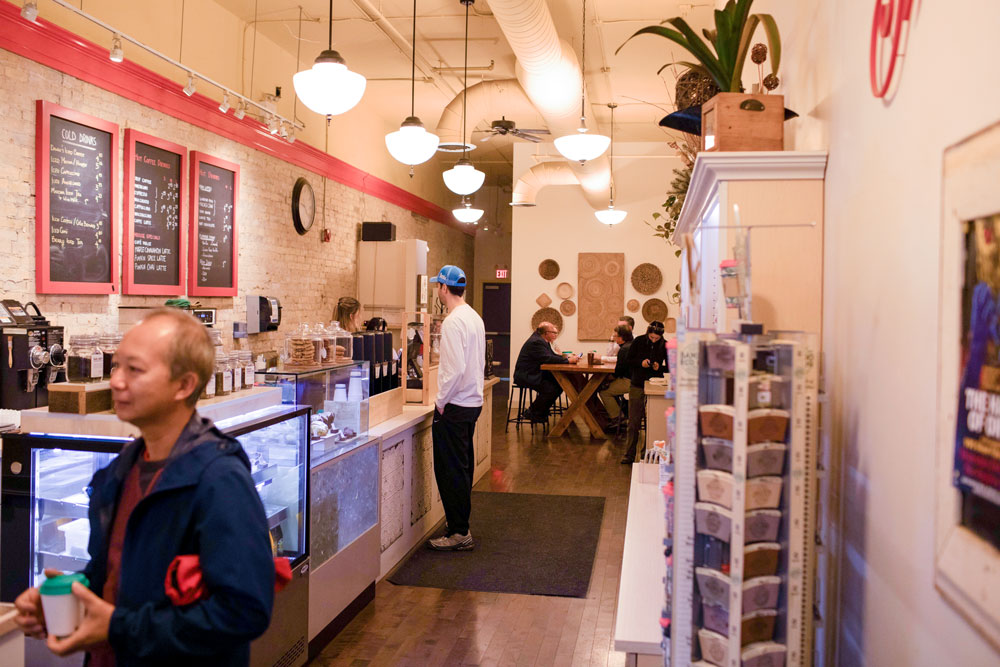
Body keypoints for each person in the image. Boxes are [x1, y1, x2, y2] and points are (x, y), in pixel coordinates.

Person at [14, 308, 275, 666]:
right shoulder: (122, 469)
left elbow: (243, 611)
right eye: (116, 367)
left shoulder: (219, 480)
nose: (116, 381)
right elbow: (119, 576)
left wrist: (119, 627)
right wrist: (68, 598)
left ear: (184, 385)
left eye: (134, 370)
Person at [426, 265, 486, 551]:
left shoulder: (452, 322)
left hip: (455, 405)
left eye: (438, 286)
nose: (438, 290)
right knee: (462, 468)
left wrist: (440, 402)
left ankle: (459, 532)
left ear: (444, 288)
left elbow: (455, 369)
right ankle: (459, 526)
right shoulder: (474, 316)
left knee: (450, 470)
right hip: (472, 402)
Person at [621, 321, 668, 464]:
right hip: (637, 384)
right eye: (652, 337)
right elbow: (628, 361)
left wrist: (659, 367)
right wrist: (641, 363)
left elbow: (670, 367)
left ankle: (647, 454)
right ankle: (629, 454)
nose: (654, 340)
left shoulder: (665, 345)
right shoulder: (639, 341)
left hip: (655, 386)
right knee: (633, 422)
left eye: (657, 338)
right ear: (648, 333)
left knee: (652, 423)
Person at [513, 322, 579, 423]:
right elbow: (547, 358)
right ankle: (533, 412)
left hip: (534, 373)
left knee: (560, 383)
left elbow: (551, 355)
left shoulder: (542, 340)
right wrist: (568, 361)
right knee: (552, 387)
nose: (555, 335)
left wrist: (567, 358)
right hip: (526, 375)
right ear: (546, 333)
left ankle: (539, 411)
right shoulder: (536, 342)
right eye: (554, 333)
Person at [599, 324, 634, 430]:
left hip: (629, 381)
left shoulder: (624, 349)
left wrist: (607, 379)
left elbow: (619, 371)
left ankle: (617, 418)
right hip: (634, 379)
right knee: (606, 386)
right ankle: (619, 414)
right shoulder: (631, 345)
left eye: (615, 336)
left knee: (604, 392)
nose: (614, 338)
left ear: (621, 337)